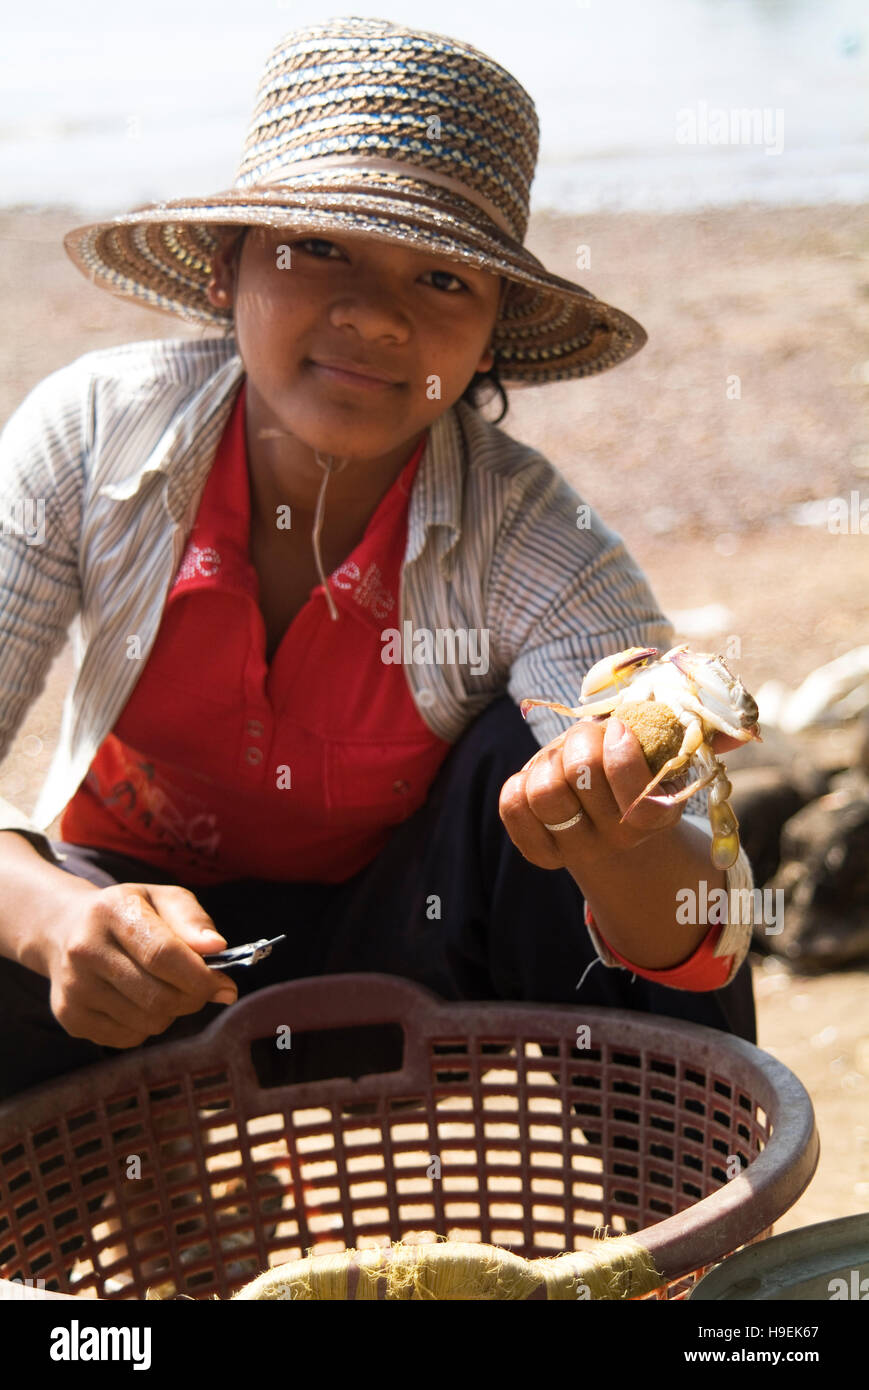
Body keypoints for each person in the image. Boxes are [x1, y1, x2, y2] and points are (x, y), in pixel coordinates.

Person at [0, 16, 757, 1103]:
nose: (373, 318)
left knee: (534, 760)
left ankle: (673, 1226)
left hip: (401, 956)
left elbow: (707, 926)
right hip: (135, 943)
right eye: (317, 248)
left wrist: (617, 835)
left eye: (443, 280)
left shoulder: (537, 543)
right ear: (226, 271)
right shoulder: (92, 437)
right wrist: (56, 917)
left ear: (492, 337)